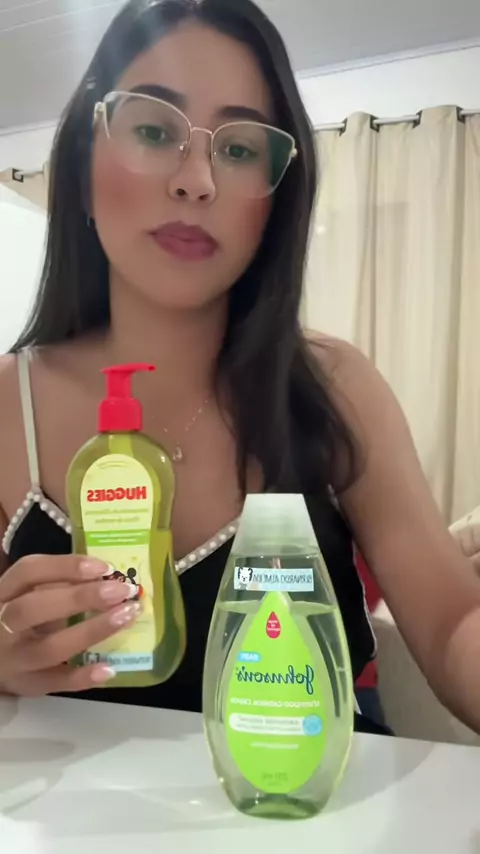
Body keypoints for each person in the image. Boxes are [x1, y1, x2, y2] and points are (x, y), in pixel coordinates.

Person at [0, 0, 479, 736]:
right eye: (154, 131)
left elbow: (452, 624)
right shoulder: (11, 404)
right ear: (83, 169)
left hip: (317, 797)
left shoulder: (334, 385)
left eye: (240, 148)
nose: (197, 180)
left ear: (275, 202)